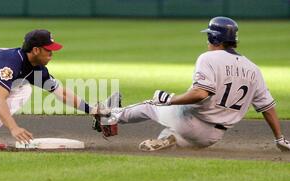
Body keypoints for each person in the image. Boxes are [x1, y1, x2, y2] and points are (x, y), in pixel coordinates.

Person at [105, 16, 290, 152]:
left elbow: (201, 93)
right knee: (173, 133)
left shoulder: (208, 58)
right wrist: (279, 138)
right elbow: (268, 107)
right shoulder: (253, 69)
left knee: (152, 104)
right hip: (211, 138)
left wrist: (171, 99)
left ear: (214, 38)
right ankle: (169, 140)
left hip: (190, 121)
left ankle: (110, 116)